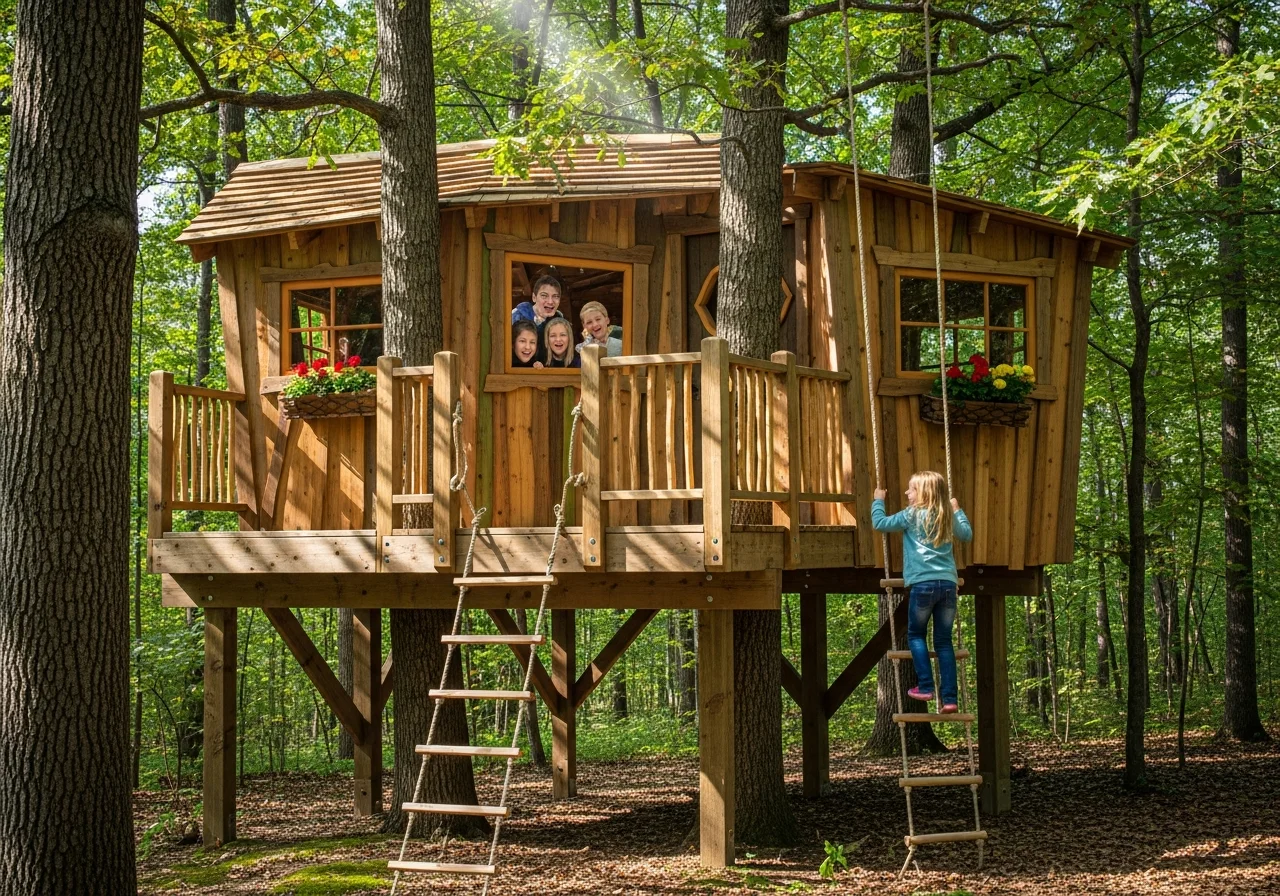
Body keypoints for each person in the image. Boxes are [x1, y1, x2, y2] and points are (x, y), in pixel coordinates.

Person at [871, 471, 973, 713]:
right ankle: (950, 699)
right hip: (947, 585)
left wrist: (878, 501)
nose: (907, 493)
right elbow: (966, 535)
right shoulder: (946, 514)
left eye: (912, 489)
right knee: (944, 642)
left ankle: (926, 687)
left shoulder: (911, 514)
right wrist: (957, 509)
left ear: (924, 493)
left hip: (922, 585)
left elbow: (880, 523)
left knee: (916, 635)